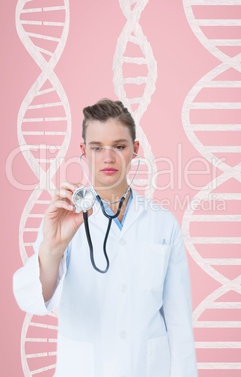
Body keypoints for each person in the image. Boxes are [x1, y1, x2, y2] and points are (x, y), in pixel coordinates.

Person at [13, 99, 198, 377]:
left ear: (135, 150)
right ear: (83, 151)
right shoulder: (62, 218)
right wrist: (53, 248)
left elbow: (179, 322)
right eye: (97, 147)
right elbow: (33, 300)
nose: (108, 158)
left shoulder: (163, 224)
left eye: (119, 146)